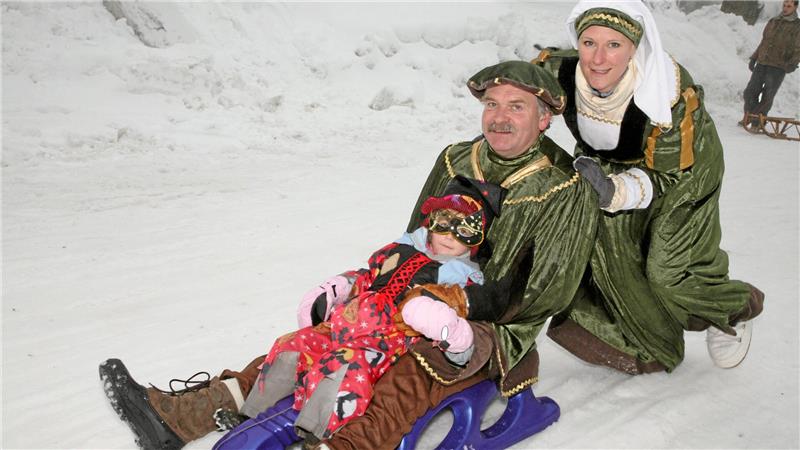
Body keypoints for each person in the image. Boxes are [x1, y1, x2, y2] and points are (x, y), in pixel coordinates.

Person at [99, 60, 600, 450]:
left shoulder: (563, 189)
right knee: (320, 339)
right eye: (492, 103)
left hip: (489, 322)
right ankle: (178, 417)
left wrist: (455, 309)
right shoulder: (456, 157)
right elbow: (415, 237)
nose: (500, 116)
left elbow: (545, 292)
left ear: (545, 117)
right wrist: (373, 282)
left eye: (516, 106)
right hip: (410, 293)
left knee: (405, 374)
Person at [99, 175, 511, 448]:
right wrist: (341, 286)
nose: (449, 235)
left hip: (386, 341)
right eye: (443, 222)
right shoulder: (403, 248)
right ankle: (225, 416)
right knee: (291, 348)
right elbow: (371, 274)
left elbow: (469, 314)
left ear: (477, 240)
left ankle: (319, 435)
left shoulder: (462, 277)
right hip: (347, 323)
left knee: (344, 372)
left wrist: (447, 325)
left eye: (465, 229)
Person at [530, 0, 765, 375]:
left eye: (614, 45)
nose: (598, 58)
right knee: (606, 247)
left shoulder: (669, 95)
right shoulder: (558, 69)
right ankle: (644, 340)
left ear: (635, 48)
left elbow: (666, 177)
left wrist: (614, 192)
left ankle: (735, 307)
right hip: (610, 162)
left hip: (683, 169)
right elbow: (517, 91)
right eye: (589, 43)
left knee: (668, 269)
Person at [742, 0, 800, 125]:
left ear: (795, 7)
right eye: (784, 5)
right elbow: (764, 42)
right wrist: (754, 58)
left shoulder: (797, 26)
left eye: (789, 6)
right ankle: (749, 116)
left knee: (767, 95)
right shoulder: (773, 21)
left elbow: (798, 48)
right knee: (750, 91)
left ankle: (758, 121)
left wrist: (793, 63)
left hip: (779, 65)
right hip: (762, 62)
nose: (785, 8)